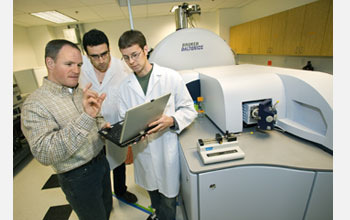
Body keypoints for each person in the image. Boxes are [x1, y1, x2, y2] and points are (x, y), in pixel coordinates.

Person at [21, 39, 112, 220]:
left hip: (101, 163)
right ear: (50, 63)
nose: (77, 70)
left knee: (106, 210)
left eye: (79, 64)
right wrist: (87, 118)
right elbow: (45, 153)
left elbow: (95, 119)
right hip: (78, 176)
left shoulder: (79, 91)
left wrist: (103, 126)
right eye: (69, 64)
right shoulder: (35, 104)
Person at [116, 30, 197, 220]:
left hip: (166, 147)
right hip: (143, 151)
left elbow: (189, 109)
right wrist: (132, 134)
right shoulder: (124, 87)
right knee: (152, 191)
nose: (131, 62)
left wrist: (172, 120)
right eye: (126, 58)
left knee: (169, 198)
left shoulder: (170, 77)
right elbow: (124, 119)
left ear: (146, 49)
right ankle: (158, 215)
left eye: (135, 55)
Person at [80, 29, 138, 204]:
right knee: (97, 165)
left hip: (115, 125)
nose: (101, 60)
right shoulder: (81, 71)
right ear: (87, 55)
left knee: (118, 163)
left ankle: (120, 191)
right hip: (92, 127)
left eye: (104, 54)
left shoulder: (123, 68)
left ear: (109, 49)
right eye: (95, 56)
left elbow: (133, 97)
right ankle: (104, 199)